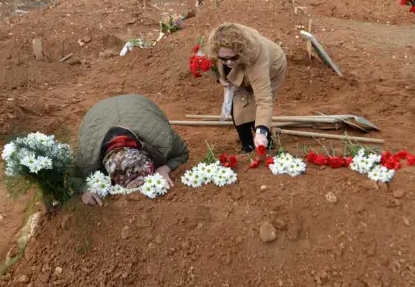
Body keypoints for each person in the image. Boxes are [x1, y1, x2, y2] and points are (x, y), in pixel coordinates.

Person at [76, 94, 189, 205]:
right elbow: (72, 177)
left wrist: (165, 168)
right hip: (97, 114)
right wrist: (86, 188)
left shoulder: (162, 137)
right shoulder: (88, 157)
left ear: (146, 153)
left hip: (139, 104)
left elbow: (183, 152)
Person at [206, 23, 287, 153]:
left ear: (241, 51)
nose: (229, 62)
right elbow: (216, 59)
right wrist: (221, 78)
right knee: (237, 106)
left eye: (233, 58)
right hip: (242, 63)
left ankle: (265, 140)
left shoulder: (257, 57)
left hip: (272, 68)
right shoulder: (218, 40)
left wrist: (261, 131)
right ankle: (247, 144)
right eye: (224, 59)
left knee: (253, 106)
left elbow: (264, 99)